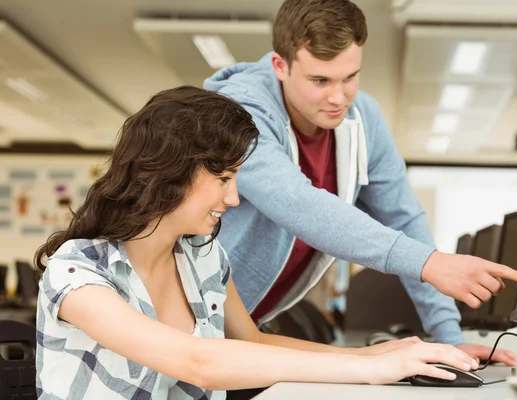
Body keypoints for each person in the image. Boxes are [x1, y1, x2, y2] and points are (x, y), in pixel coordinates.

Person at [34, 86, 479, 400]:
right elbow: (196, 362)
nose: (233, 197)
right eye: (224, 179)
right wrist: (368, 369)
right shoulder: (78, 273)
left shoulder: (202, 257)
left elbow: (252, 342)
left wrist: (369, 355)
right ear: (170, 170)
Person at [204, 0, 517, 366]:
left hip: (245, 328)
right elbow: (295, 203)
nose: (338, 98)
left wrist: (449, 338)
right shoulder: (238, 112)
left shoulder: (363, 119)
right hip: (186, 319)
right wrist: (429, 263)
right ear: (281, 65)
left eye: (350, 77)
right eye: (320, 80)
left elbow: (403, 218)